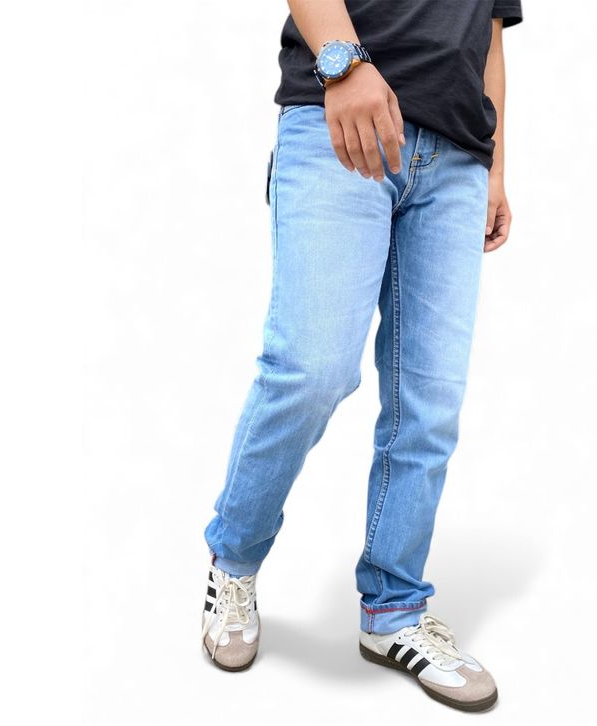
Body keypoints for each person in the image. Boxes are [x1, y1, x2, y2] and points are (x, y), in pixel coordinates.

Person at [200, 0, 522, 712]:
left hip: (457, 159)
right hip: (340, 118)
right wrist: (344, 66)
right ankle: (235, 561)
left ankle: (395, 610)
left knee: (430, 406)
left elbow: (490, 35)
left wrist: (495, 168)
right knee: (310, 370)